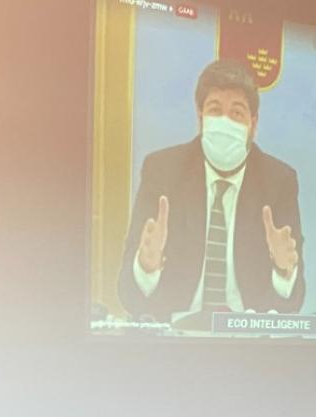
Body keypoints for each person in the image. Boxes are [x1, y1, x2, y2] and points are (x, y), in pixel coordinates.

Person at [118, 59, 304, 326]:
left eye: (237, 113)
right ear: (200, 117)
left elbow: (293, 302)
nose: (224, 122)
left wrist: (283, 270)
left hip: (247, 344)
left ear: (254, 123)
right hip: (178, 343)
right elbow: (129, 296)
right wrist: (147, 266)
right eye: (215, 110)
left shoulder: (278, 182)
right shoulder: (162, 172)